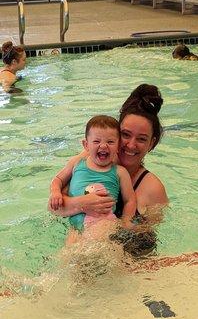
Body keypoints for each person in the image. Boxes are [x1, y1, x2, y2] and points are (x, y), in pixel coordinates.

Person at [48, 84, 168, 221]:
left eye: (141, 139)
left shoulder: (153, 189)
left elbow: (152, 233)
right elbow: (52, 208)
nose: (131, 145)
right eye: (125, 134)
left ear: (151, 143)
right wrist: (82, 204)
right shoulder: (90, 160)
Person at [49, 115, 136, 244]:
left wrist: (126, 221)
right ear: (86, 145)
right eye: (96, 141)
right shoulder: (77, 163)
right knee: (68, 257)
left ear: (118, 147)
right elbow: (58, 179)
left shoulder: (119, 172)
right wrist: (55, 192)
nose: (103, 146)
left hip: (104, 223)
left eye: (110, 142)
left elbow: (130, 200)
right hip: (75, 227)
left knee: (99, 251)